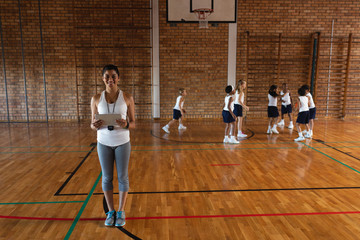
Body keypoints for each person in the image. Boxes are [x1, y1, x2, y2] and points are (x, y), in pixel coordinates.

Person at [90, 64, 135, 227]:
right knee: (107, 177)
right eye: (107, 76)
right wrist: (95, 125)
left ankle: (121, 211)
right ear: (103, 79)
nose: (110, 79)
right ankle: (110, 212)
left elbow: (134, 124)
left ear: (118, 78)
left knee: (122, 177)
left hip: (122, 142)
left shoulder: (128, 97)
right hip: (103, 142)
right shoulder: (96, 98)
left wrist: (125, 125)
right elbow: (91, 124)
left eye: (113, 76)